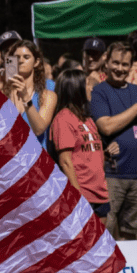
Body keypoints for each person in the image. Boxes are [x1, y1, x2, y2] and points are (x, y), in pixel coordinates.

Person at [90, 43, 137, 239]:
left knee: (135, 233)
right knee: (107, 231)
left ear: (130, 66)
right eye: (116, 63)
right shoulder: (99, 92)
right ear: (107, 63)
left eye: (125, 64)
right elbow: (106, 126)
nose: (120, 68)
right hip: (112, 175)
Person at [51, 68, 110, 222]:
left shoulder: (87, 119)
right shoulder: (63, 118)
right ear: (75, 89)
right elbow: (65, 161)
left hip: (99, 193)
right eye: (87, 84)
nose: (91, 88)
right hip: (82, 194)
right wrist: (78, 197)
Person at [0, 39, 56, 148]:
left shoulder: (47, 95)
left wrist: (26, 99)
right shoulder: (4, 92)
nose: (20, 61)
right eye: (17, 57)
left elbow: (39, 129)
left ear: (36, 62)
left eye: (26, 57)